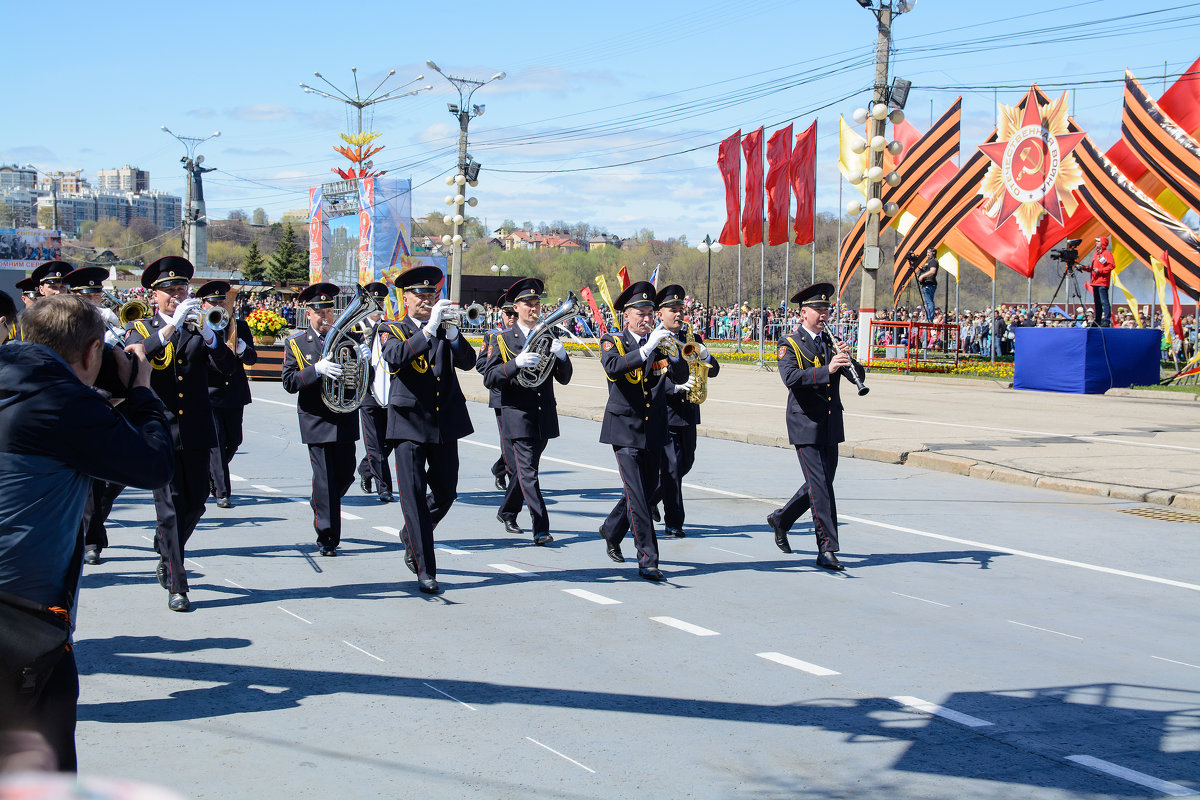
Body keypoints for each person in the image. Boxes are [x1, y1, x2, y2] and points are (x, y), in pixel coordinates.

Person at [0, 294, 173, 771]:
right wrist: (140, 391)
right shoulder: (63, 402)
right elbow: (154, 463)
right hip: (25, 621)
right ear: (94, 353)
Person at [123, 256, 237, 611]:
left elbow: (228, 370)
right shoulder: (142, 328)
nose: (177, 296)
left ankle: (165, 547)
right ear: (153, 295)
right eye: (169, 291)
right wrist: (172, 325)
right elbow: (140, 357)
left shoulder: (199, 327)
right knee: (170, 508)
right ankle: (178, 584)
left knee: (197, 502)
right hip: (159, 430)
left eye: (181, 289)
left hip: (196, 428)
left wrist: (210, 337)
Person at [377, 267, 477, 594]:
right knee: (414, 498)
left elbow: (468, 361)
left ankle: (411, 534)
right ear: (404, 298)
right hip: (408, 423)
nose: (426, 300)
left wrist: (451, 335)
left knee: (447, 492)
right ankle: (425, 569)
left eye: (430, 295)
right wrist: (430, 329)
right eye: (419, 295)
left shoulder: (445, 329)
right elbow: (394, 358)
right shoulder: (391, 328)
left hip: (444, 422)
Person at [767, 282, 864, 572]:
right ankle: (827, 548)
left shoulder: (829, 342)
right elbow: (792, 378)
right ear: (803, 313)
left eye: (827, 309)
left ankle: (782, 519)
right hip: (805, 422)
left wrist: (850, 361)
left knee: (819, 484)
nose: (824, 314)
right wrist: (828, 369)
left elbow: (855, 375)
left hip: (830, 422)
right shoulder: (790, 344)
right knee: (821, 486)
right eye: (818, 309)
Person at [597, 280, 689, 581]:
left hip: (654, 428)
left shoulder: (660, 341)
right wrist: (647, 348)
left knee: (647, 492)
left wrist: (675, 355)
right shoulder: (613, 340)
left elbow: (678, 374)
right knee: (637, 495)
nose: (647, 319)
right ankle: (648, 558)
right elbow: (614, 368)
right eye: (641, 313)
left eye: (650, 313)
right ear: (627, 316)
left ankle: (611, 529)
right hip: (624, 428)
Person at [481, 277, 573, 546]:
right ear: (516, 308)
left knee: (526, 471)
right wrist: (515, 364)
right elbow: (489, 377)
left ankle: (507, 510)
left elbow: (564, 378)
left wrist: (563, 357)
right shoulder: (503, 339)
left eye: (537, 304)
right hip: (517, 415)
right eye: (528, 304)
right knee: (529, 473)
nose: (534, 309)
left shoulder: (549, 336)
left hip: (543, 415)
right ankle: (541, 526)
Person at [280, 282, 360, 557]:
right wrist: (316, 369)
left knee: (347, 473)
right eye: (319, 311)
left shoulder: (348, 339)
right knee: (324, 478)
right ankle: (327, 536)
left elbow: (359, 380)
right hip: (316, 419)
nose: (325, 316)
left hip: (344, 417)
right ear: (308, 313)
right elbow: (289, 382)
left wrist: (365, 362)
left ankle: (321, 502)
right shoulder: (297, 344)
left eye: (328, 310)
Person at [64, 266, 127, 565]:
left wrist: (116, 337)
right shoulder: (63, 327)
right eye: (87, 296)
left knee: (112, 478)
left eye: (97, 294)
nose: (94, 300)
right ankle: (91, 540)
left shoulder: (108, 324)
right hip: (75, 407)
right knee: (88, 479)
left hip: (110, 403)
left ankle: (90, 528)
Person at [654, 284, 719, 538]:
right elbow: (654, 375)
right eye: (673, 310)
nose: (679, 314)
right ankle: (674, 521)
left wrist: (705, 355)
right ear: (660, 313)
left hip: (689, 412)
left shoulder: (692, 337)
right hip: (666, 410)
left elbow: (713, 370)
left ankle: (649, 499)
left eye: (681, 309)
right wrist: (675, 387)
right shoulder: (656, 339)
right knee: (671, 468)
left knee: (686, 462)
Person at [197, 281, 257, 509]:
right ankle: (223, 491)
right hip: (209, 393)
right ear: (203, 305)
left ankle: (212, 473)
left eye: (222, 301)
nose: (219, 304)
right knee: (217, 443)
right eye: (213, 302)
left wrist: (242, 348)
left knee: (234, 441)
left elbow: (252, 359)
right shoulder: (198, 327)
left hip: (234, 392)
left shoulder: (239, 326)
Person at [356, 282, 396, 503]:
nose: (378, 306)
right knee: (375, 444)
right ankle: (384, 488)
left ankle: (365, 467)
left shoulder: (390, 328)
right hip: (367, 393)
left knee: (390, 439)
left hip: (389, 391)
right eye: (374, 302)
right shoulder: (353, 328)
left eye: (380, 302)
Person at [478, 291, 517, 492]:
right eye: (508, 313)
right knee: (508, 442)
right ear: (501, 314)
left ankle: (499, 468)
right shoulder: (494, 336)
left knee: (521, 443)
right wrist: (500, 373)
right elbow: (481, 364)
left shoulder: (529, 335)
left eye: (514, 314)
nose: (512, 318)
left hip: (523, 395)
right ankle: (514, 482)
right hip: (501, 395)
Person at [1081, 235, 1114, 327]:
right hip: (1095, 282)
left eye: (1098, 241)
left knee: (1104, 301)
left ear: (1103, 243)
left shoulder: (1107, 253)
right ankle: (1098, 320)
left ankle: (1106, 320)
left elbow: (1111, 266)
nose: (1096, 243)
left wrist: (1100, 271)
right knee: (1097, 302)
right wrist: (1084, 268)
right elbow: (1093, 268)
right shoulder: (1096, 253)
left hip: (1102, 282)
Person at [916, 247, 938, 322]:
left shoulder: (933, 261)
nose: (927, 254)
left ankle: (930, 318)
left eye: (929, 252)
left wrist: (923, 276)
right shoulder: (928, 261)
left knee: (929, 301)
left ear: (933, 253)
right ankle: (928, 317)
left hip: (930, 283)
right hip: (925, 284)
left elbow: (932, 271)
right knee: (927, 302)